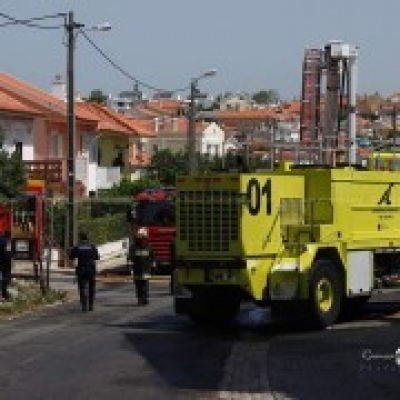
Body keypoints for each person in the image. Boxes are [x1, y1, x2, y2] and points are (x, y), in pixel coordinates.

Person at [69, 232, 100, 312]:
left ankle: (84, 306)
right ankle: (91, 305)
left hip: (81, 270)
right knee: (91, 288)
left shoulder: (77, 247)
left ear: (80, 239)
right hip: (91, 270)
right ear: (87, 239)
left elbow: (71, 257)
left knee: (82, 288)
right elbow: (97, 257)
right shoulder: (92, 247)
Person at [127, 227, 155, 305]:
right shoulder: (148, 246)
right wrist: (153, 267)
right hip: (143, 269)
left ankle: (142, 299)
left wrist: (129, 268)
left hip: (139, 269)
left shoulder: (134, 247)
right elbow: (152, 257)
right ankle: (143, 299)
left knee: (140, 284)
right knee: (143, 284)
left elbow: (152, 257)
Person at [0, 230, 13, 301]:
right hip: (5, 262)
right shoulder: (8, 241)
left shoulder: (1, 238)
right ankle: (4, 294)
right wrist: (11, 258)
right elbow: (8, 253)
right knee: (6, 277)